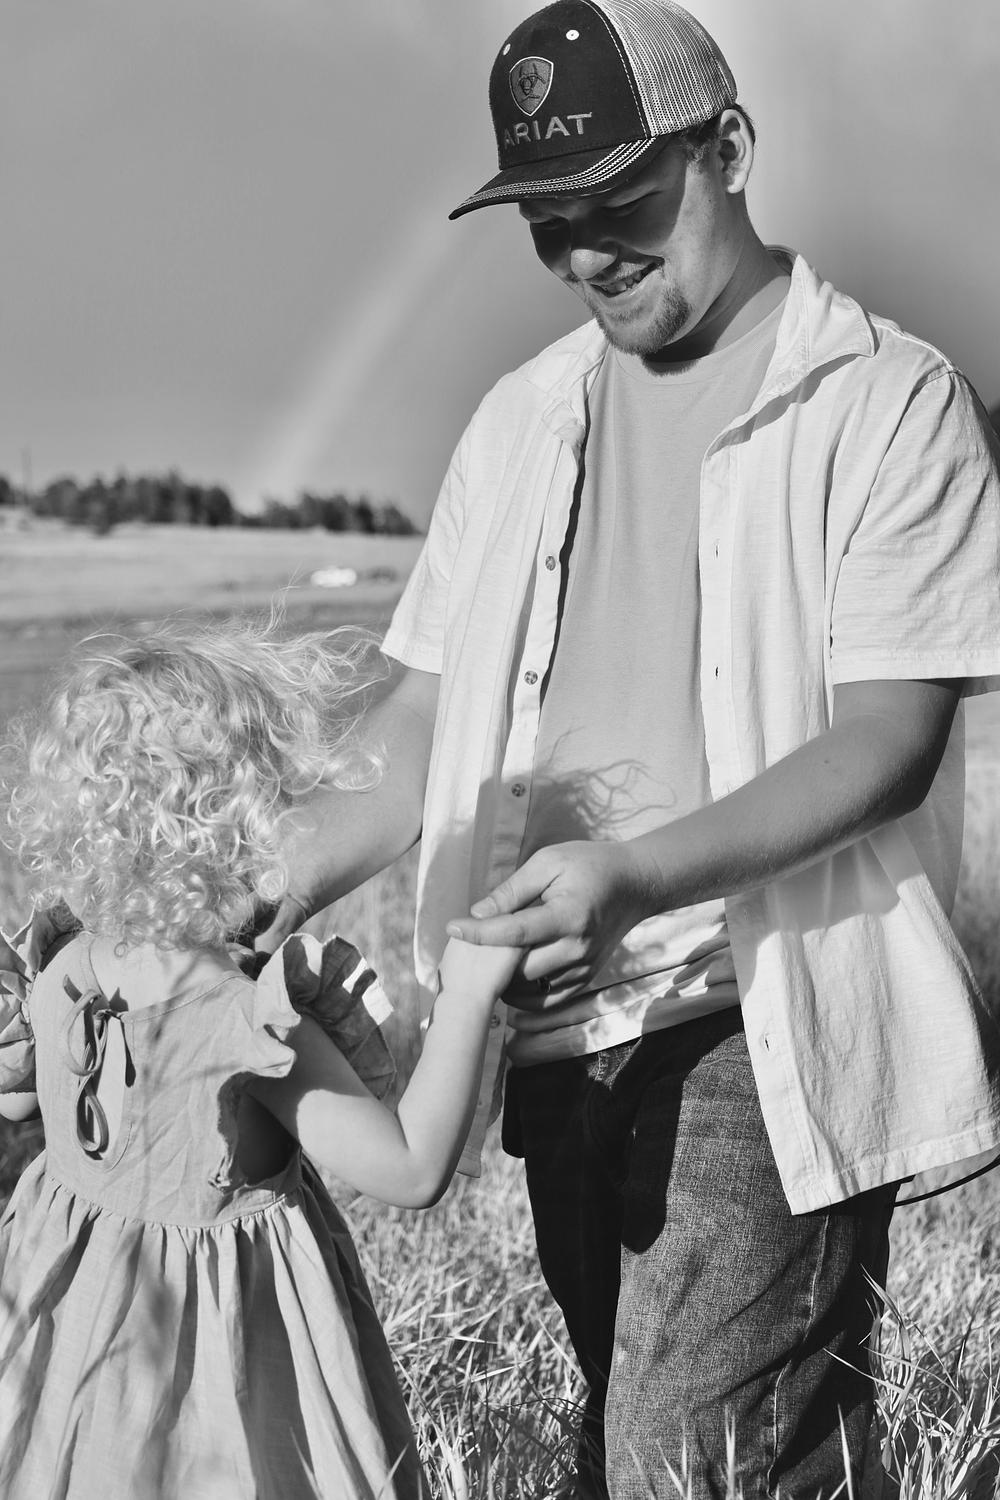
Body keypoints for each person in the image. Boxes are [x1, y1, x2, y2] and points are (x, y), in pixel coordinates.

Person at [258, 1, 1000, 1494]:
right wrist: (224, 901)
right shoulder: (517, 421)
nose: (588, 253)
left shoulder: (888, 401)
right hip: (549, 1025)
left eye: (622, 203)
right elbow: (418, 727)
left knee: (686, 1457)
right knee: (674, 1445)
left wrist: (632, 879)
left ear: (727, 148)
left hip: (756, 1012)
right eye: (550, 225)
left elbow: (890, 742)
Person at [0, 618, 520, 1500]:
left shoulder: (65, 969)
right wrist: (467, 998)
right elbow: (409, 1168)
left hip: (78, 1353)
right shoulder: (245, 1022)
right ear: (237, 818)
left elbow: (24, 1106)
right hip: (216, 1376)